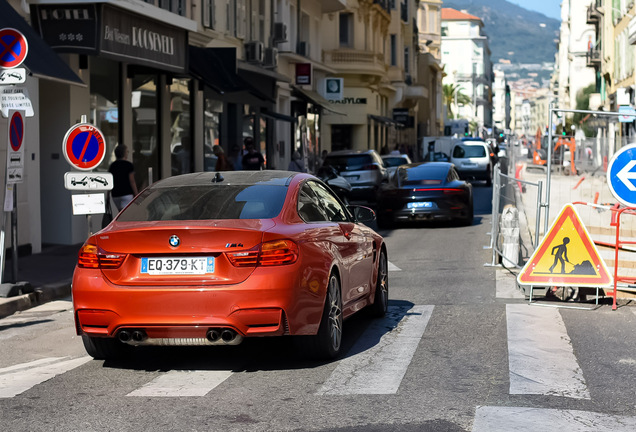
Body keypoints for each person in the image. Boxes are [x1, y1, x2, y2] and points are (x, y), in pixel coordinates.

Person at [108, 145, 139, 212]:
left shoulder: (113, 166)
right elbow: (132, 181)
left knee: (121, 213)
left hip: (115, 194)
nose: (128, 153)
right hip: (127, 193)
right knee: (126, 213)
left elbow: (109, 181)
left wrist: (108, 195)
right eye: (127, 151)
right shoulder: (128, 165)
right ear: (124, 153)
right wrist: (136, 194)